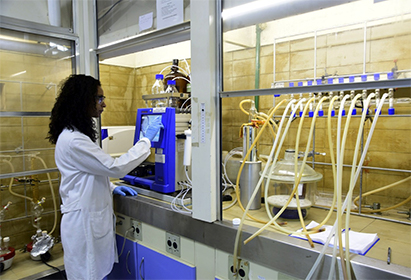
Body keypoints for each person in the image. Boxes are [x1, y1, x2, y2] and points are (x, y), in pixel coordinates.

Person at [47, 74, 163, 280]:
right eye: (100, 98)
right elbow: (115, 167)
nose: (104, 104)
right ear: (84, 100)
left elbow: (85, 176)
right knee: (89, 274)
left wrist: (110, 188)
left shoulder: (73, 135)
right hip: (84, 227)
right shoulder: (74, 140)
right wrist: (145, 140)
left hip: (86, 221)